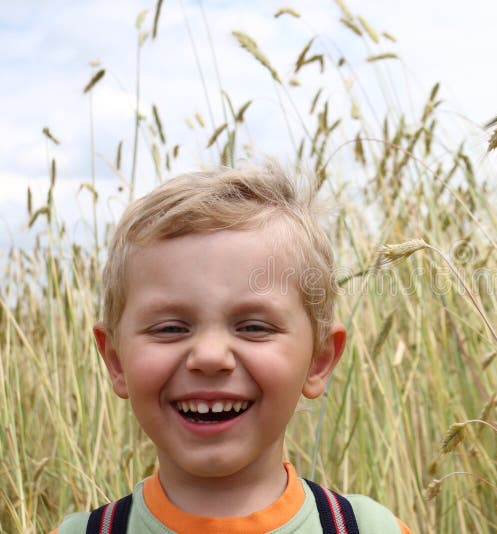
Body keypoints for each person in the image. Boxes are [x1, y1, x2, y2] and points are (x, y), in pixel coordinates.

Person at [54, 164, 411, 533]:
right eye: (171, 328)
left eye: (254, 327)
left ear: (319, 361)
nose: (210, 356)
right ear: (116, 361)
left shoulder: (369, 527)